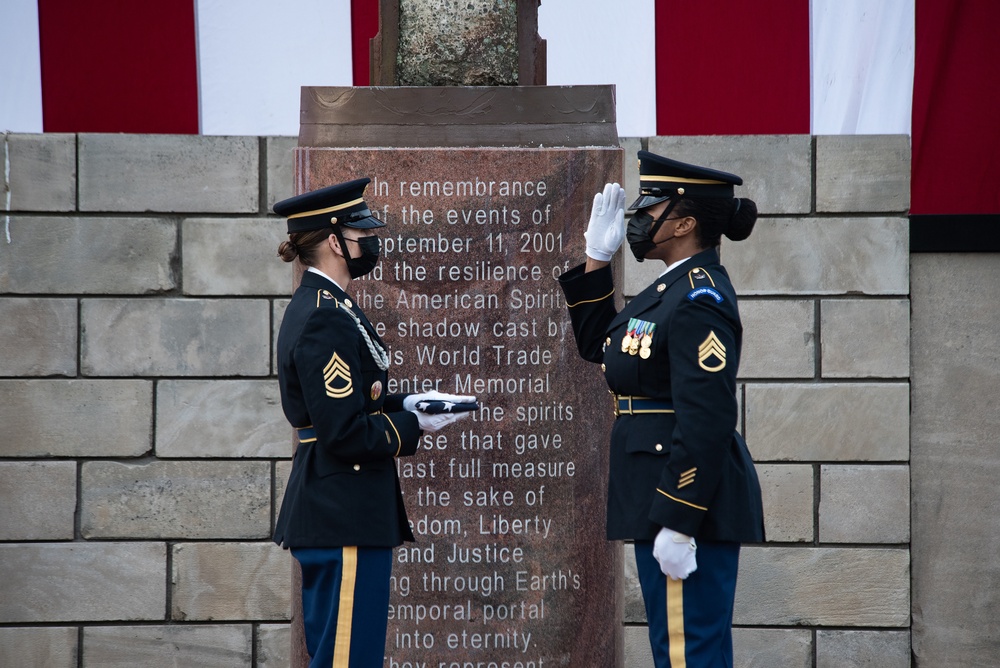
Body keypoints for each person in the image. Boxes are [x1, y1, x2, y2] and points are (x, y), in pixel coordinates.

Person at [556, 151, 764, 667]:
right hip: (659, 496)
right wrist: (596, 262)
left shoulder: (699, 299)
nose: (640, 219)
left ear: (686, 222)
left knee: (685, 653)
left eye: (652, 208)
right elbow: (603, 351)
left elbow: (708, 418)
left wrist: (680, 518)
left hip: (680, 500)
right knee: (683, 652)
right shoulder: (671, 290)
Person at [271, 178, 475, 668]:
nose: (371, 242)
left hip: (340, 505)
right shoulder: (325, 316)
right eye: (360, 233)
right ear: (334, 241)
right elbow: (342, 431)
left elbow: (353, 404)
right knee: (347, 659)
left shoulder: (331, 305)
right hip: (343, 507)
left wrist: (412, 402)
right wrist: (412, 427)